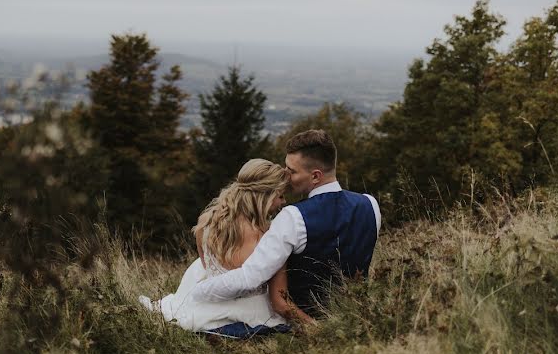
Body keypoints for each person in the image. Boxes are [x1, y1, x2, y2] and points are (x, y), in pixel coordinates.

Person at [188, 130, 381, 318]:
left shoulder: (292, 217)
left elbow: (249, 278)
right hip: (356, 314)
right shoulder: (370, 204)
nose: (286, 177)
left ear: (315, 176)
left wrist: (195, 293)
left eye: (292, 171)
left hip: (306, 317)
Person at [138, 159, 315, 338]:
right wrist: (314, 325)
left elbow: (207, 267)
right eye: (281, 196)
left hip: (205, 305)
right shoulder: (269, 235)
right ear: (265, 196)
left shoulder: (206, 222)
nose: (283, 202)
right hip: (254, 313)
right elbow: (280, 302)